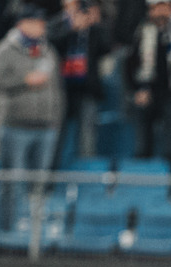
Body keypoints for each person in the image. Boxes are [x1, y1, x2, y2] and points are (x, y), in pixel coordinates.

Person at [0, 4, 64, 231]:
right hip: (14, 126)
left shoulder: (48, 50)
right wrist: (23, 81)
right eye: (36, 22)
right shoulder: (5, 50)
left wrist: (55, 118)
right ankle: (9, 230)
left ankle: (34, 233)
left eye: (42, 23)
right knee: (12, 183)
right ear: (23, 23)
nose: (41, 27)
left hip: (45, 127)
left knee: (39, 184)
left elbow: (56, 89)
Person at [125, 0, 171, 165]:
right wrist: (137, 89)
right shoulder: (141, 30)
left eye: (164, 8)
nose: (160, 12)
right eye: (156, 8)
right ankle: (143, 172)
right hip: (146, 90)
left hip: (170, 91)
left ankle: (170, 175)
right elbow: (130, 63)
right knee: (143, 142)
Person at [48, 0, 108, 161]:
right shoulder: (56, 23)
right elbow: (50, 45)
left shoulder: (92, 26)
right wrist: (71, 30)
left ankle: (86, 174)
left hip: (87, 88)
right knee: (57, 133)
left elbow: (107, 48)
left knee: (87, 133)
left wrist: (96, 23)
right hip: (61, 88)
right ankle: (52, 173)